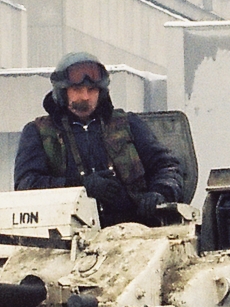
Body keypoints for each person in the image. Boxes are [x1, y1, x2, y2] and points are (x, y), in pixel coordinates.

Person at [14, 52, 186, 227]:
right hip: (65, 233)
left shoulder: (127, 125)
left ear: (101, 92)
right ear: (62, 92)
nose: (85, 97)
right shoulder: (39, 132)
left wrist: (159, 193)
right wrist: (81, 186)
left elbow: (167, 166)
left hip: (135, 229)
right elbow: (26, 184)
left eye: (91, 90)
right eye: (77, 90)